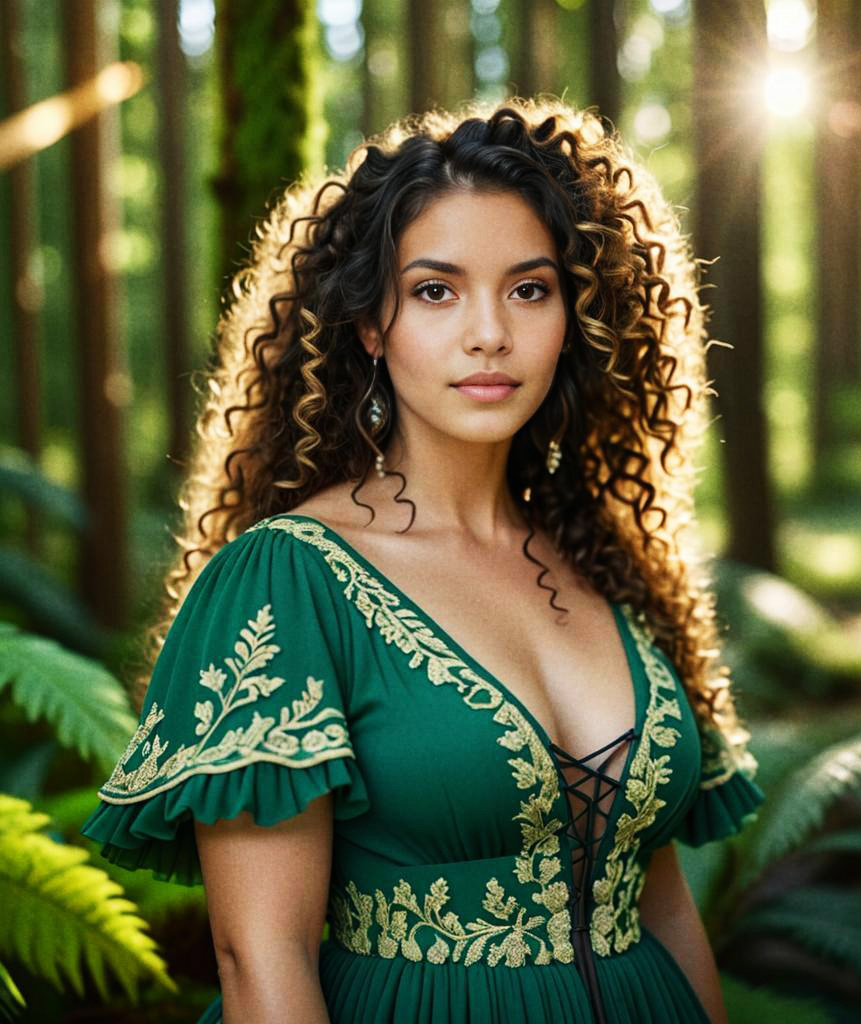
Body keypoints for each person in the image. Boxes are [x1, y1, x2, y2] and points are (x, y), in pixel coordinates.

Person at [81, 96, 764, 1024]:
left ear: (575, 315)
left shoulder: (608, 561)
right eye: (436, 291)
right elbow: (260, 962)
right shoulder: (287, 583)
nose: (490, 332)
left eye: (530, 289)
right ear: (369, 326)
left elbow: (664, 902)